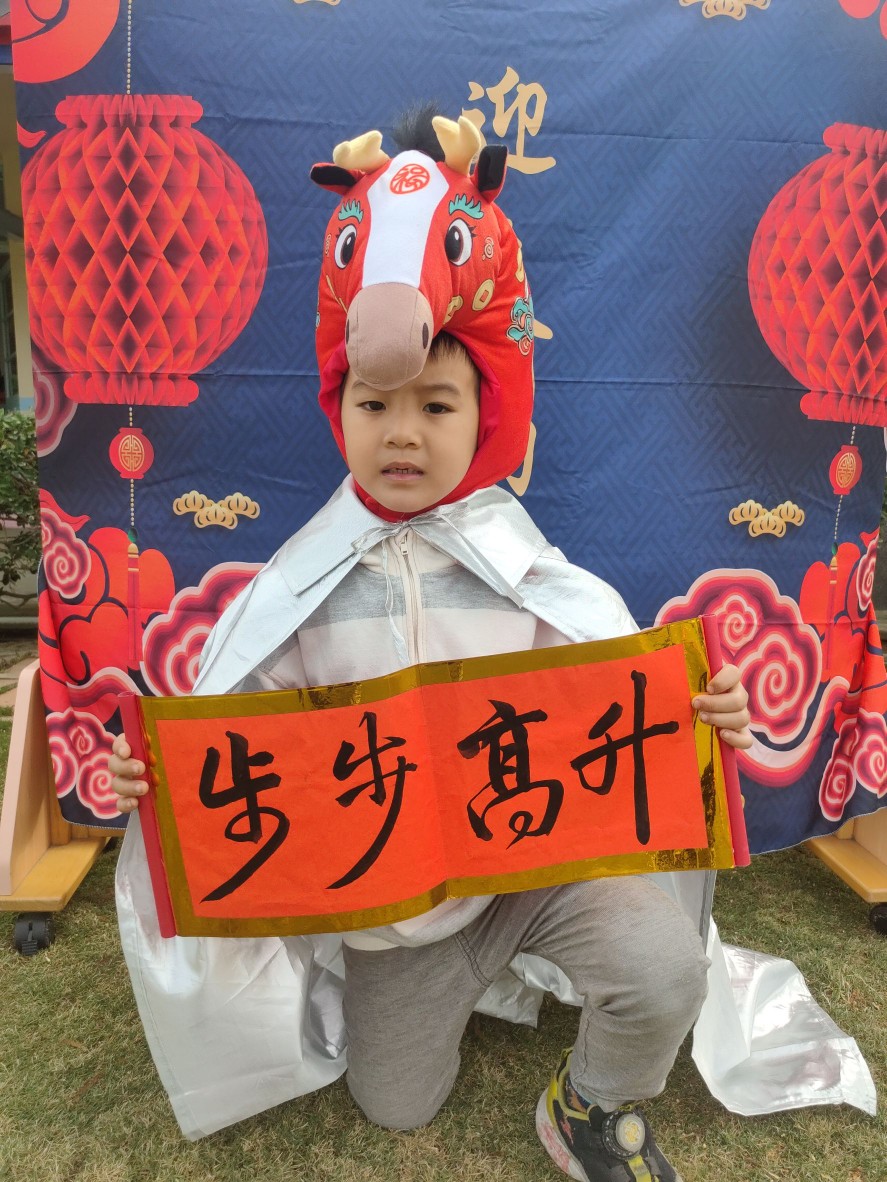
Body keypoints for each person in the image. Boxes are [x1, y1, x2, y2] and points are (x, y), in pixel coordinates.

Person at [110, 112, 751, 1182]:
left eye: (435, 404)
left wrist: (701, 708)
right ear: (341, 409)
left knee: (662, 966)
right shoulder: (303, 585)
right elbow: (230, 729)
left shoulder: (520, 563)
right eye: (375, 404)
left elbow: (619, 691)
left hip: (530, 873)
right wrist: (158, 774)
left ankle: (588, 1105)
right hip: (396, 922)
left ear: (485, 414)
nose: (402, 431)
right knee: (397, 1108)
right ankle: (441, 1004)